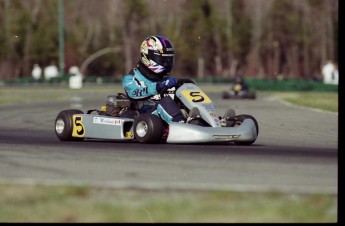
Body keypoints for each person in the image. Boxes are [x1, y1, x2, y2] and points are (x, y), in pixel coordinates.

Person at [122, 35, 186, 124]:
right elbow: (134, 93)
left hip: (165, 115)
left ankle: (199, 123)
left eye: (168, 60)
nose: (166, 64)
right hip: (145, 118)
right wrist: (158, 87)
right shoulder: (131, 78)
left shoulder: (164, 78)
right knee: (165, 102)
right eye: (163, 60)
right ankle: (181, 127)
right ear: (148, 57)